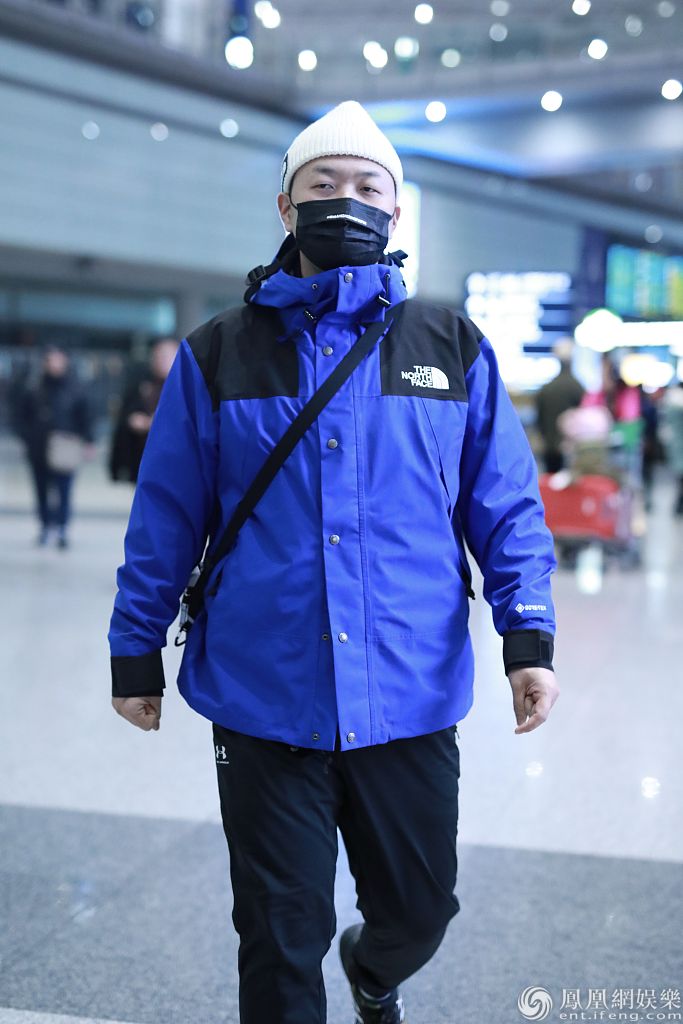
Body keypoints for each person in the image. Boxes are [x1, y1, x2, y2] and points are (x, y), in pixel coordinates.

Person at [109, 101, 559, 1024]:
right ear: (286, 207)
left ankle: (374, 968)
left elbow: (505, 505)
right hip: (264, 689)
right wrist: (133, 651)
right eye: (323, 184)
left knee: (418, 913)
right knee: (280, 935)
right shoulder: (219, 353)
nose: (345, 200)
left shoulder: (449, 346)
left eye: (366, 186)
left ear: (395, 209)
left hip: (408, 687)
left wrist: (528, 636)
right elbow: (166, 516)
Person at [13, 345, 95, 549]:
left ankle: (62, 528)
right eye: (50, 360)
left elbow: (86, 417)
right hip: (39, 446)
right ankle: (45, 526)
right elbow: (21, 416)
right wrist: (26, 438)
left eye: (58, 359)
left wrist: (88, 441)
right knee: (41, 490)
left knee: (64, 490)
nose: (54, 364)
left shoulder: (75, 388)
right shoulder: (34, 387)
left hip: (65, 446)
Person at [108, 336, 179, 483]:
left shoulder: (188, 388)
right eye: (158, 355)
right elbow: (124, 417)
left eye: (166, 355)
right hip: (141, 459)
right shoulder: (139, 383)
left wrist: (157, 422)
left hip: (174, 462)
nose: (161, 360)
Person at [534, 337, 585, 473]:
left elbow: (539, 421)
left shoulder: (546, 389)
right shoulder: (577, 387)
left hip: (550, 447)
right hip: (572, 450)